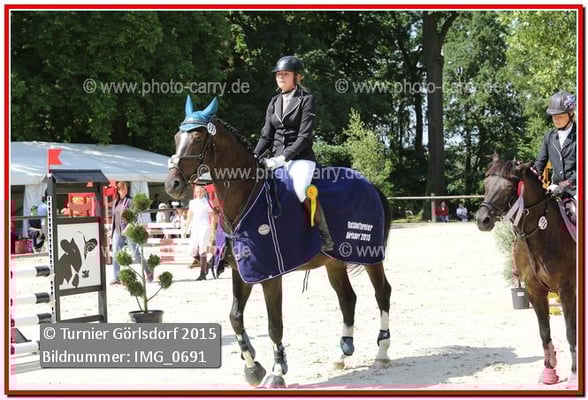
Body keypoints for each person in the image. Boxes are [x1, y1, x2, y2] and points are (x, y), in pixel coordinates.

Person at [253, 55, 333, 250]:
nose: (280, 77)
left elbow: (304, 137)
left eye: (285, 74)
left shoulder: (306, 100)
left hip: (300, 158)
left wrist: (283, 158)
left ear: (298, 77)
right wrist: (254, 156)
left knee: (299, 189)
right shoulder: (274, 102)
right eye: (278, 74)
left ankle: (324, 234)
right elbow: (266, 136)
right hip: (274, 158)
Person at [533, 90, 577, 199]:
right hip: (555, 189)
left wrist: (564, 186)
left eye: (560, 116)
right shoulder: (549, 136)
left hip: (578, 190)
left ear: (570, 113)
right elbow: (540, 163)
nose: (556, 120)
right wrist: (529, 174)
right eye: (553, 116)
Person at [110, 181, 151, 285]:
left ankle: (148, 271)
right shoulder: (116, 202)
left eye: (126, 189)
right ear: (118, 190)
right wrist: (112, 230)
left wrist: (127, 228)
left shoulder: (130, 201)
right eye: (122, 189)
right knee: (116, 253)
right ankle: (116, 277)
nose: (125, 190)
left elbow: (134, 216)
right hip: (117, 231)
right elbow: (114, 217)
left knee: (136, 254)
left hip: (129, 230)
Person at [184, 184, 217, 281]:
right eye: (197, 192)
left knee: (202, 249)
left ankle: (202, 274)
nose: (199, 193)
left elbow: (212, 217)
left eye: (201, 192)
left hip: (204, 227)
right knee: (191, 251)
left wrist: (212, 232)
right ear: (195, 192)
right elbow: (190, 215)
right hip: (195, 228)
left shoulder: (207, 202)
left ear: (203, 192)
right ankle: (206, 264)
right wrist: (186, 228)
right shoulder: (192, 202)